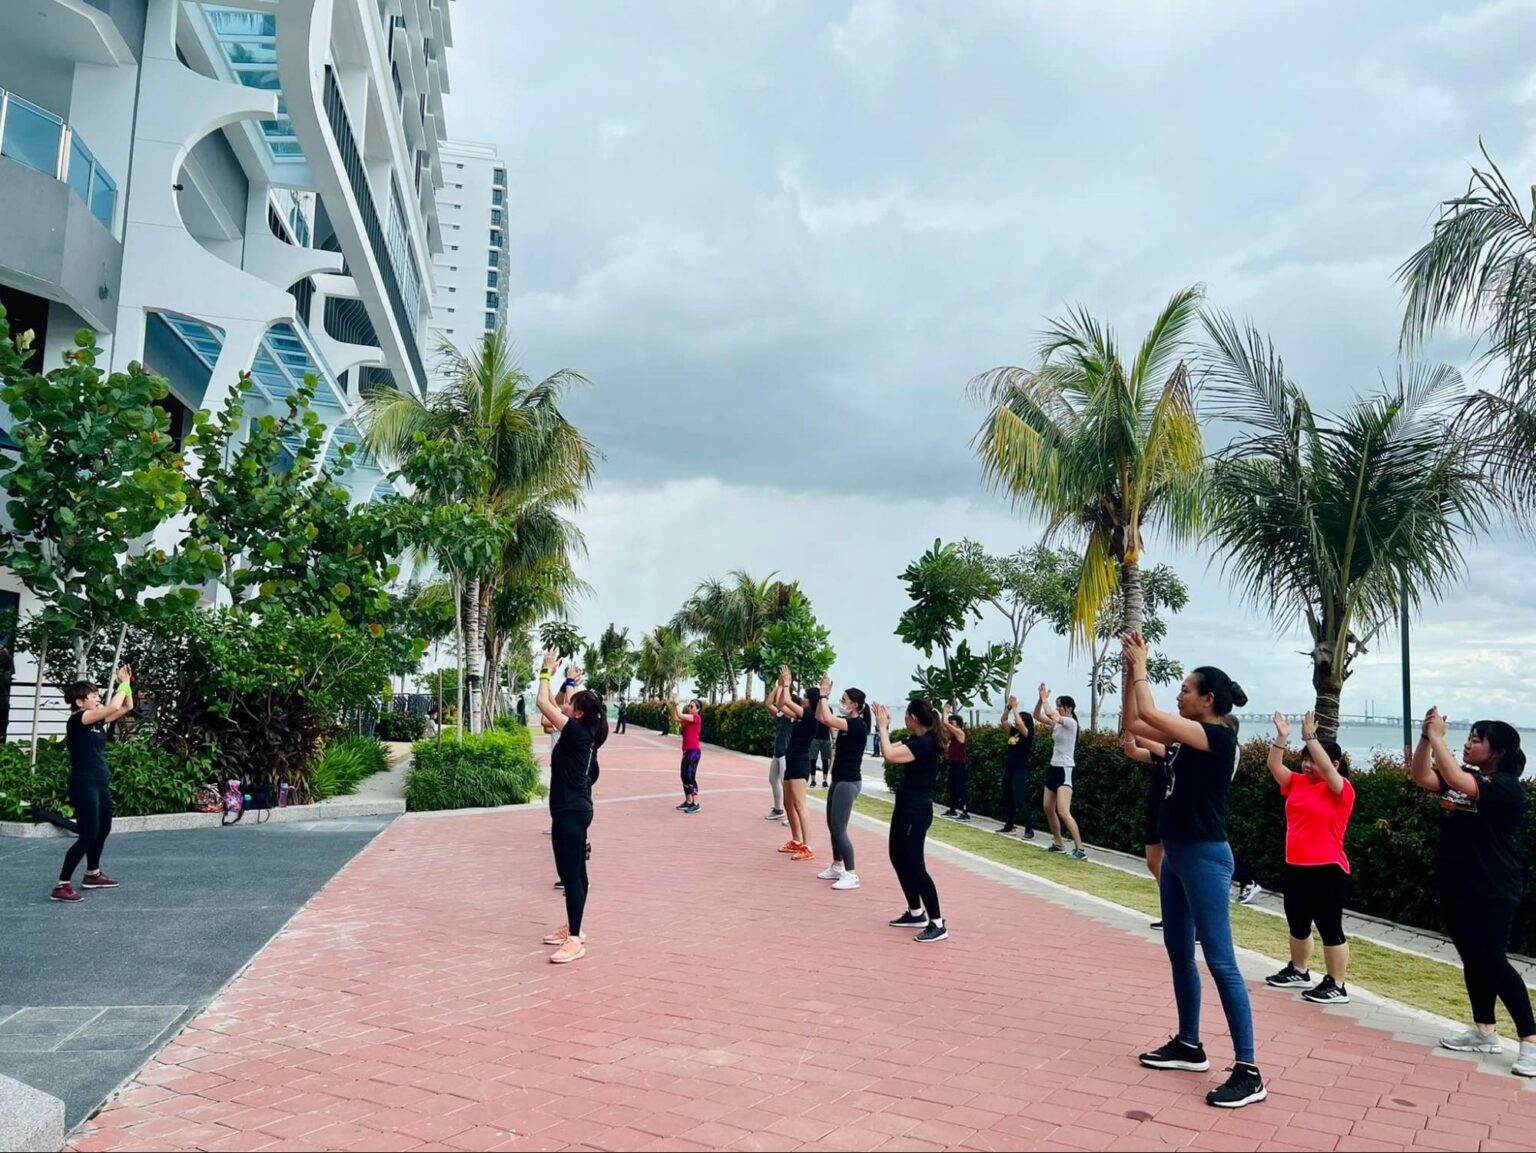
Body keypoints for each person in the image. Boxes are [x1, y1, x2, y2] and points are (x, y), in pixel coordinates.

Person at [1122, 632, 1265, 1109]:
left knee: (1221, 961)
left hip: (1205, 856)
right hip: (1178, 855)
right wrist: (1130, 670)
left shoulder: (1218, 739)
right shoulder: (1185, 741)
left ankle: (1249, 1070)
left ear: (1208, 700)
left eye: (1186, 689)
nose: (1179, 695)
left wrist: (1142, 662)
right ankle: (1189, 1043)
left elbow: (1147, 714)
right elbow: (1133, 723)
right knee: (1179, 951)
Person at [1410, 707, 1535, 1078]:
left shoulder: (1507, 788)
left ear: (1496, 750)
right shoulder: (1468, 777)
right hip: (1459, 885)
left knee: (1493, 961)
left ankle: (1530, 1040)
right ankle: (1484, 1031)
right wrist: (1425, 738)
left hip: (1493, 888)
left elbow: (1457, 779)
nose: (1468, 743)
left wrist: (1438, 738)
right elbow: (1422, 775)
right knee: (1474, 959)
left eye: (1476, 739)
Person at [1262, 711, 1356, 1005]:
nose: (1307, 764)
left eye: (1312, 759)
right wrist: (1281, 737)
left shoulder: (1341, 790)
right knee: (1297, 922)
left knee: (1329, 926)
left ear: (1334, 764)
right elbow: (1274, 766)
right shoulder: (1298, 783)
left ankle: (1336, 984)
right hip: (1296, 865)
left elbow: (1328, 771)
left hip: (1327, 868)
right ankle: (1299, 970)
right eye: (1305, 758)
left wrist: (1311, 738)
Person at [535, 650, 607, 964]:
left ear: (577, 714)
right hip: (573, 810)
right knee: (576, 871)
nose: (568, 702)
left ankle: (575, 939)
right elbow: (555, 703)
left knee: (571, 874)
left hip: (571, 812)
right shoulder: (584, 731)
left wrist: (545, 670)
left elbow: (542, 703)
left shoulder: (576, 733)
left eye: (573, 702)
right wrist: (569, 680)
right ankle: (572, 927)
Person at [52, 667, 134, 903]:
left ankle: (92, 874)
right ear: (80, 702)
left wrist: (126, 683)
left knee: (103, 829)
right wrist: (121, 684)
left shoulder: (97, 720)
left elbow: (126, 707)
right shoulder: (80, 719)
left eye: (98, 694)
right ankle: (62, 885)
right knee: (88, 835)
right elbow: (114, 706)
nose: (98, 698)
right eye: (93, 696)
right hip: (84, 783)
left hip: (100, 782)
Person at [873, 698, 947, 942]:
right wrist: (883, 728)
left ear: (913, 717)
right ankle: (916, 912)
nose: (905, 719)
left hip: (917, 809)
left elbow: (890, 756)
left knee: (915, 864)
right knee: (897, 855)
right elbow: (891, 749)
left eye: (906, 715)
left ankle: (937, 923)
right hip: (905, 807)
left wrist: (882, 727)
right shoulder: (917, 740)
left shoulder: (925, 744)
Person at [815, 676, 869, 890]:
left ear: (854, 705)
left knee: (840, 827)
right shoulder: (848, 722)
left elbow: (828, 719)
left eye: (845, 699)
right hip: (838, 779)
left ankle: (851, 873)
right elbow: (822, 716)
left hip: (849, 781)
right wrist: (823, 696)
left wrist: (824, 695)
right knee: (832, 824)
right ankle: (837, 866)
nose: (842, 702)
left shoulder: (857, 725)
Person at [1121, 729, 1167, 930]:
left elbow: (1149, 742)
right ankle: (1172, 912)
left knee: (1175, 866)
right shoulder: (1160, 755)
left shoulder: (1176, 751)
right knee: (1153, 862)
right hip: (1156, 808)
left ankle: (1192, 922)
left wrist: (1134, 725)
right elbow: (1132, 751)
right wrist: (1130, 732)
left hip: (1173, 811)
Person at [1035, 683, 1086, 859]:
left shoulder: (1070, 723)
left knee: (1063, 811)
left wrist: (1045, 699)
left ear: (1069, 708)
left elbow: (1052, 715)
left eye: (1059, 706)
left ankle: (1080, 849)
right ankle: (1058, 843)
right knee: (1048, 807)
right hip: (1053, 767)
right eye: (1056, 705)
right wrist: (1040, 699)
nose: (1056, 708)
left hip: (1065, 769)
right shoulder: (1057, 723)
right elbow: (1038, 715)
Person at [770, 667, 816, 860]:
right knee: (789, 803)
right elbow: (782, 704)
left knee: (799, 804)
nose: (803, 698)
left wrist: (788, 683)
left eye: (805, 696)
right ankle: (796, 841)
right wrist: (781, 685)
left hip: (800, 763)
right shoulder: (799, 715)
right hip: (791, 760)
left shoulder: (811, 716)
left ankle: (808, 846)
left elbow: (788, 701)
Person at [999, 696, 1035, 838]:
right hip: (1009, 768)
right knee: (1007, 797)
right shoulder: (1014, 732)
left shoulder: (1028, 734)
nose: (1016, 720)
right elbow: (1003, 721)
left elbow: (1020, 724)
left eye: (1019, 719)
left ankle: (1029, 828)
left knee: (1019, 798)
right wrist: (1008, 708)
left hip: (1020, 769)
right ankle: (1009, 825)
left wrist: (1015, 707)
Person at [670, 694, 703, 813]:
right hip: (686, 751)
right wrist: (674, 705)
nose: (689, 708)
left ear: (697, 709)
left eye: (691, 706)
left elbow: (679, 715)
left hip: (693, 751)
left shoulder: (696, 718)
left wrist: (677, 703)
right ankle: (688, 801)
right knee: (684, 776)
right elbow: (675, 718)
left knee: (690, 777)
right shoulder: (687, 719)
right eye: (688, 706)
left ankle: (696, 803)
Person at [762, 692, 791, 822]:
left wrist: (785, 687)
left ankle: (792, 815)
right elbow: (768, 703)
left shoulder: (792, 717)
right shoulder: (781, 716)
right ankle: (778, 809)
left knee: (786, 785)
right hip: (777, 753)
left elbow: (784, 703)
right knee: (773, 780)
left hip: (786, 754)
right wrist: (777, 686)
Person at [940, 709, 970, 820]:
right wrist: (944, 712)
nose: (950, 726)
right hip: (953, 764)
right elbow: (943, 727)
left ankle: (965, 812)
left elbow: (945, 724)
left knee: (960, 789)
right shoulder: (953, 737)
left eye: (952, 723)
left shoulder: (960, 733)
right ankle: (952, 810)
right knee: (952, 787)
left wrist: (945, 712)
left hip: (959, 765)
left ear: (957, 725)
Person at [811, 703, 833, 790]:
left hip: (826, 739)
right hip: (815, 738)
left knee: (825, 761)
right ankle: (813, 780)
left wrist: (833, 738)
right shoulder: (816, 712)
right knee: (813, 760)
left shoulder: (829, 710)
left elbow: (830, 725)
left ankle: (825, 780)